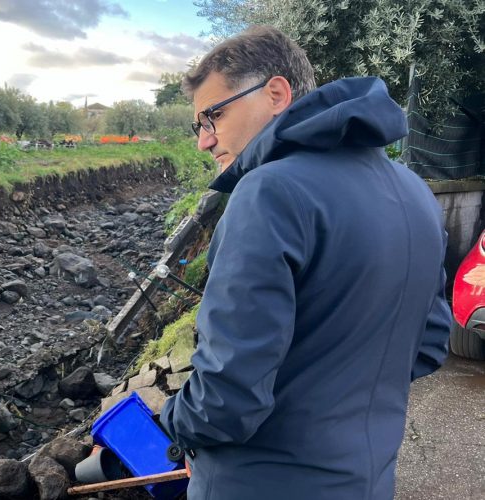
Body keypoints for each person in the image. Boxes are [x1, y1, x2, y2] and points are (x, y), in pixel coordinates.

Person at [159, 25, 451, 499]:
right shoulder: (414, 191)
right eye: (199, 126)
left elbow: (226, 399)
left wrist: (175, 423)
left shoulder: (267, 192)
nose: (204, 141)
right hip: (368, 480)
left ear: (275, 92)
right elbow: (431, 342)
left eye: (212, 117)